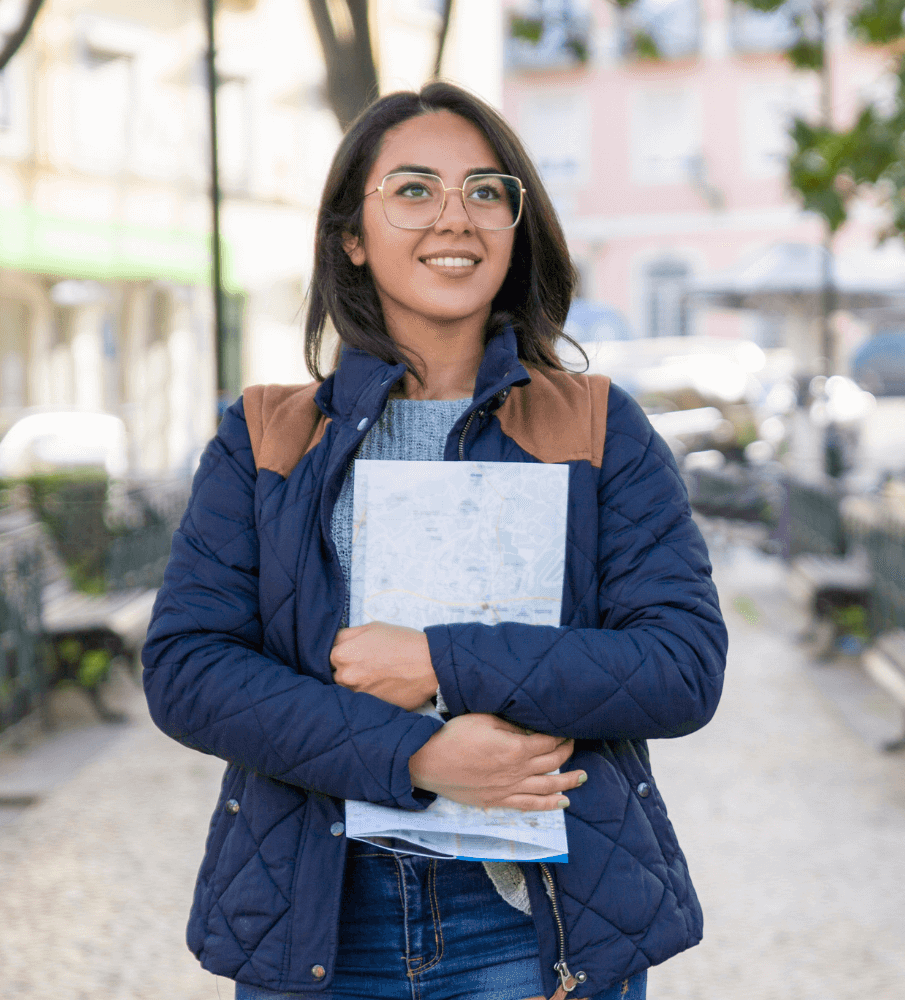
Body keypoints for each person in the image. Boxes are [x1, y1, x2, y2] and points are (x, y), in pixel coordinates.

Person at [142, 82, 727, 1000]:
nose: (455, 217)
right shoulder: (263, 436)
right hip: (323, 916)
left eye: (486, 191)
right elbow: (188, 669)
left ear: (515, 225)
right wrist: (413, 756)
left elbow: (681, 665)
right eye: (413, 190)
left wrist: (440, 664)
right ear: (351, 235)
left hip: (538, 922)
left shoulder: (599, 426)